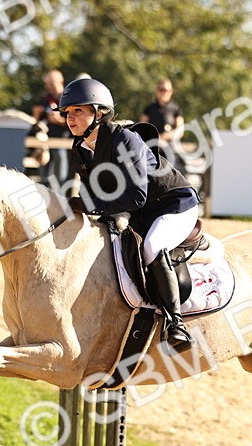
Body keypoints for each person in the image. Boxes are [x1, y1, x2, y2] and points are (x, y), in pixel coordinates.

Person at [59, 77, 199, 351]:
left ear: (99, 113)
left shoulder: (124, 139)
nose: (70, 118)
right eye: (67, 112)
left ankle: (175, 324)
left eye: (78, 111)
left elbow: (136, 196)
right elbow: (93, 196)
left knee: (152, 245)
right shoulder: (80, 150)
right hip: (142, 213)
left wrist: (88, 205)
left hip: (173, 204)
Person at [32, 70, 72, 187]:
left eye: (51, 83)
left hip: (64, 143)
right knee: (44, 177)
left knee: (59, 178)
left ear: (60, 82)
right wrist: (36, 115)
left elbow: (78, 121)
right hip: (45, 143)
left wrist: (59, 120)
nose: (49, 86)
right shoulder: (45, 99)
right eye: (47, 83)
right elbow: (37, 123)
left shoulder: (69, 98)